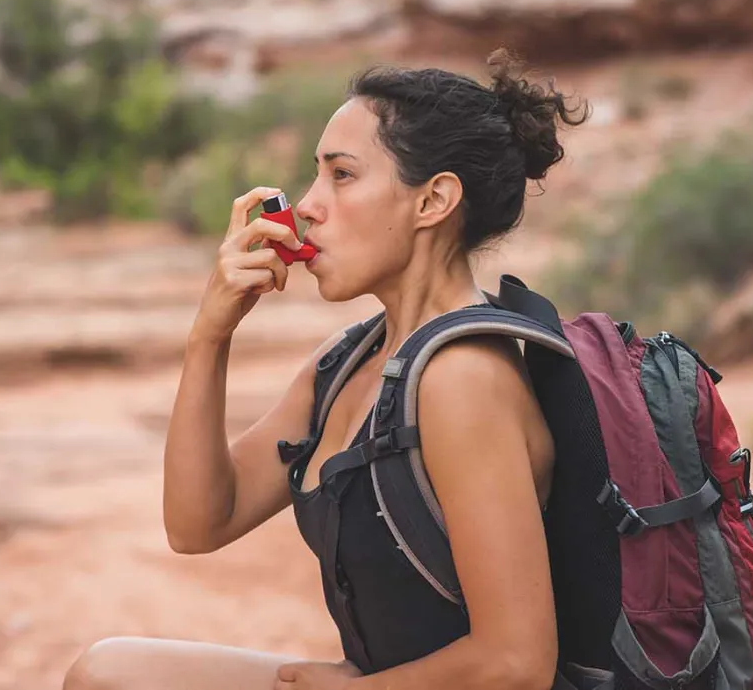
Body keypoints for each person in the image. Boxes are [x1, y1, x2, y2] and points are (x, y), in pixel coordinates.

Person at [62, 49, 589, 690]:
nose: (307, 207)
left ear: (434, 200)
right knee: (109, 672)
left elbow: (516, 663)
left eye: (341, 176)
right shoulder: (346, 363)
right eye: (316, 176)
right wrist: (211, 334)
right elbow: (199, 522)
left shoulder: (462, 379)